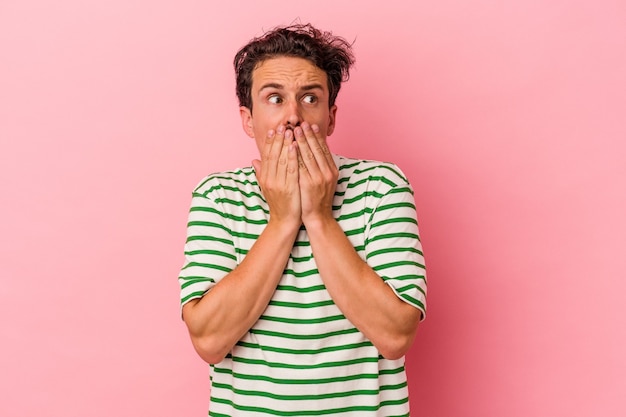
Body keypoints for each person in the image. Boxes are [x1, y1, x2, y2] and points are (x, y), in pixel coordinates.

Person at [178, 23, 427, 416]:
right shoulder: (218, 195)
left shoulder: (382, 186)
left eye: (310, 97)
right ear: (248, 119)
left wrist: (317, 215)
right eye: (274, 98)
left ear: (330, 117)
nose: (293, 116)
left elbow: (395, 334)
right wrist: (281, 220)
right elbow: (209, 340)